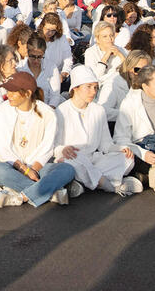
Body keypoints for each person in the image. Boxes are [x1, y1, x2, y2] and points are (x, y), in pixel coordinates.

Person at [0, 72, 72, 207]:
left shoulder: (47, 113)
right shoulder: (3, 110)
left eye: (12, 92)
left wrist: (33, 169)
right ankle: (50, 192)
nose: (7, 95)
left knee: (67, 169)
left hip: (39, 167)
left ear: (27, 93)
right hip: (12, 166)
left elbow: (48, 147)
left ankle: (21, 196)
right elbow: (2, 148)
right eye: (7, 91)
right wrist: (24, 170)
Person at [55, 66, 142, 196]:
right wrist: (62, 149)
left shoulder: (98, 110)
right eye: (89, 87)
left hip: (92, 160)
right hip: (71, 159)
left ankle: (81, 184)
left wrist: (121, 149)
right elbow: (54, 145)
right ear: (75, 88)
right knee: (75, 161)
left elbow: (105, 145)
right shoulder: (61, 111)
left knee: (126, 158)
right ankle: (110, 185)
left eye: (95, 87)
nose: (93, 91)